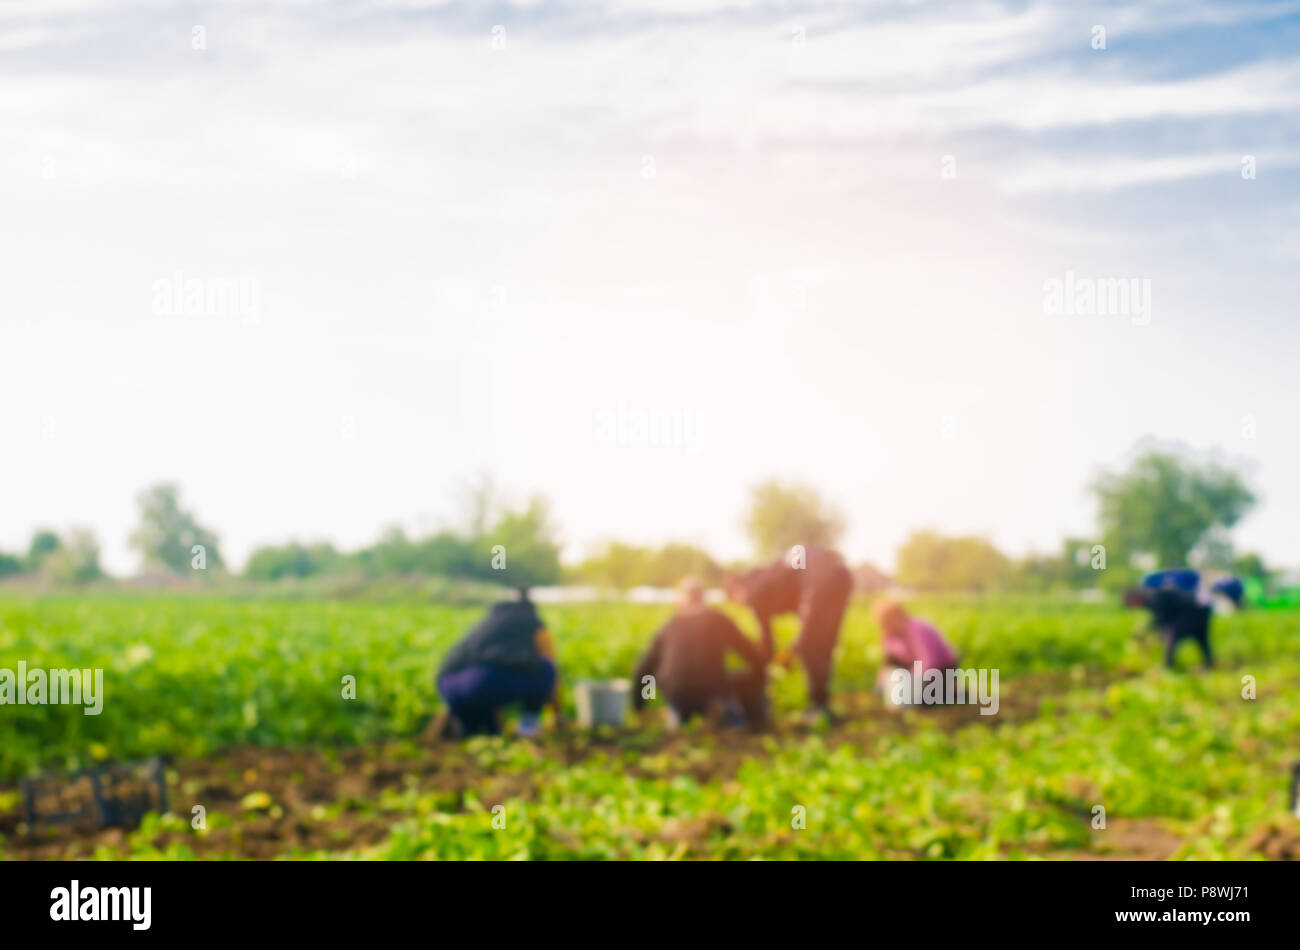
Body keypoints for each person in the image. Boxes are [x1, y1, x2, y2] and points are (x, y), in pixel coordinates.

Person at [725, 545, 853, 720]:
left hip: (819, 576)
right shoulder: (767, 578)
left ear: (736, 590)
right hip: (842, 575)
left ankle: (819, 709)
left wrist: (789, 652)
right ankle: (822, 707)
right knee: (823, 643)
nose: (741, 605)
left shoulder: (752, 590)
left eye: (734, 600)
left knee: (812, 645)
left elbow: (768, 640)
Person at [633, 579, 768, 728]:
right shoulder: (719, 620)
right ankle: (747, 722)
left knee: (665, 682)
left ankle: (676, 717)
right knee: (743, 681)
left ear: (681, 600)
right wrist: (758, 681)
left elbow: (645, 672)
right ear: (703, 599)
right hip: (713, 690)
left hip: (676, 692)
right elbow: (753, 656)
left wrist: (641, 707)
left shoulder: (670, 625)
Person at [432, 590, 562, 738]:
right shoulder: (532, 622)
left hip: (448, 686)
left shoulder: (489, 621)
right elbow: (551, 664)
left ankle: (466, 732)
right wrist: (558, 714)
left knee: (487, 734)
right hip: (483, 682)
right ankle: (528, 728)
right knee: (546, 668)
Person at [871, 598, 959, 703]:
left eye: (887, 622)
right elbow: (888, 663)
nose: (884, 627)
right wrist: (881, 685)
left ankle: (950, 691)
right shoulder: (888, 636)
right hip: (914, 668)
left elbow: (928, 662)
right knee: (900, 693)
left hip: (941, 669)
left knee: (923, 699)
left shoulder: (918, 629)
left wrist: (912, 685)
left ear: (899, 617)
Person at [1126, 571, 1213, 669]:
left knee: (1173, 636)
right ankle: (1209, 664)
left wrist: (1145, 630)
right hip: (1199, 609)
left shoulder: (1152, 597)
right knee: (1200, 637)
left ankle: (1168, 667)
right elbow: (1163, 617)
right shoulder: (1149, 596)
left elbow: (1161, 618)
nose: (1134, 608)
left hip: (1192, 610)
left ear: (1134, 598)